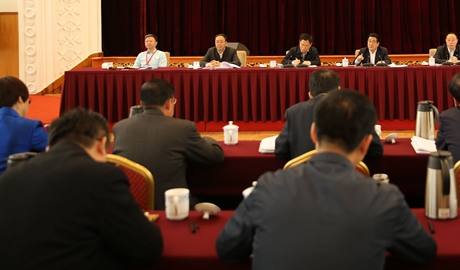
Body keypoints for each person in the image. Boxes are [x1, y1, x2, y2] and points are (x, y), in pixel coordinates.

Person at [216, 89, 436, 268]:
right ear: (366, 144)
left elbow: (227, 248)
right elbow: (424, 251)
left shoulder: (268, 187)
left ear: (313, 133)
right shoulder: (385, 199)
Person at [0, 107, 163, 268]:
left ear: (49, 146)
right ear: (101, 145)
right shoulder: (102, 176)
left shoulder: (9, 177)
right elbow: (147, 247)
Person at [113, 79, 224, 209]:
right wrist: (208, 139)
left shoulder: (120, 127)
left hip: (128, 207)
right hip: (172, 208)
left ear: (141, 103)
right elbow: (215, 156)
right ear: (168, 103)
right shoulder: (183, 128)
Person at [275, 69, 383, 160]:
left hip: (303, 176)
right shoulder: (356, 108)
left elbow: (281, 151)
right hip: (347, 175)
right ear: (339, 89)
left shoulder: (294, 112)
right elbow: (376, 150)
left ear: (310, 95)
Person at [0, 76, 48, 175]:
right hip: (11, 182)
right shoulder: (29, 127)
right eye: (29, 102)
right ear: (20, 99)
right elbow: (58, 151)